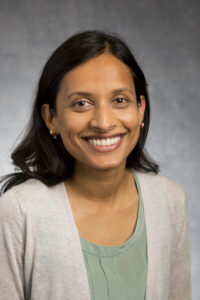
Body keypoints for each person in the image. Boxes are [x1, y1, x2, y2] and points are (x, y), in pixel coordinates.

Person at [0, 29, 191, 300]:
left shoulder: (170, 200)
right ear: (51, 117)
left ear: (140, 109)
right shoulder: (19, 211)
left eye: (119, 100)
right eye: (81, 103)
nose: (103, 122)